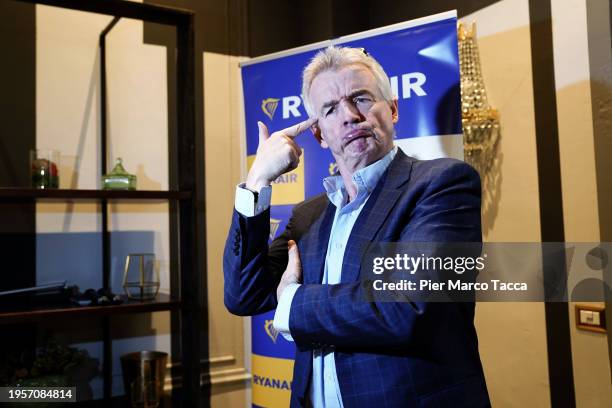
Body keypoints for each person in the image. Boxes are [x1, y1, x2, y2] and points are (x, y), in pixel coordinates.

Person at [224, 46, 490, 407]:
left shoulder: (442, 184)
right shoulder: (308, 216)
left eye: (361, 98)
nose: (350, 116)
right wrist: (256, 182)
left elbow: (411, 306)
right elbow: (244, 294)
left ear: (392, 110)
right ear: (319, 135)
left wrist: (292, 302)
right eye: (330, 109)